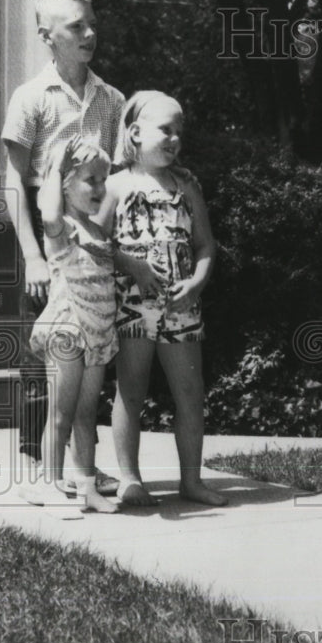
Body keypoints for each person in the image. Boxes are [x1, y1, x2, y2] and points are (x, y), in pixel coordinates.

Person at [2, 0, 125, 494]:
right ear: (46, 36)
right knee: (51, 348)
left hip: (92, 226)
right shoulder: (31, 97)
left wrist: (106, 240)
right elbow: (12, 177)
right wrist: (33, 255)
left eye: (91, 22)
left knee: (90, 346)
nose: (89, 33)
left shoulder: (112, 99)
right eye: (76, 26)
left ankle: (82, 464)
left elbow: (113, 180)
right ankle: (38, 462)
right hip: (44, 224)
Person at [94, 91, 227, 508]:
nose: (174, 139)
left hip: (182, 306)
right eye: (164, 130)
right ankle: (130, 478)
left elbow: (206, 246)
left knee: (190, 392)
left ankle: (192, 480)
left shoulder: (186, 185)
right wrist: (132, 266)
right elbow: (96, 241)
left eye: (178, 132)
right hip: (134, 306)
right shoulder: (116, 184)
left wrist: (198, 284)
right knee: (130, 391)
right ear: (134, 132)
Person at [19, 138, 119, 515]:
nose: (99, 188)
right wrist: (57, 163)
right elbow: (46, 213)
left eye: (103, 180)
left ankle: (87, 486)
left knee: (85, 414)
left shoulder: (96, 230)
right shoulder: (60, 229)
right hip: (67, 329)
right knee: (60, 413)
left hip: (97, 332)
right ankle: (50, 484)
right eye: (90, 180)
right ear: (63, 185)